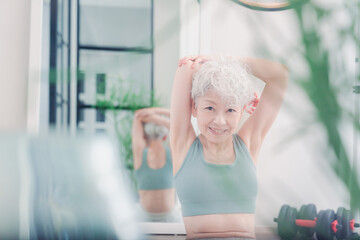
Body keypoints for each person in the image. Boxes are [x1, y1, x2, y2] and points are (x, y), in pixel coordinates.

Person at [170, 56, 288, 239]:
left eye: (230, 110)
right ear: (194, 107)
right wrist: (210, 64)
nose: (219, 121)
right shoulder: (183, 144)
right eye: (210, 108)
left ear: (242, 111)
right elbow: (186, 67)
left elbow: (280, 76)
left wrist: (228, 60)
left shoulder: (249, 142)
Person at [132, 107, 181, 222]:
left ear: (143, 136)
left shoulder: (139, 152)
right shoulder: (173, 153)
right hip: (170, 217)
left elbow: (137, 116)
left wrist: (150, 114)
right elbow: (178, 120)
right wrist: (157, 112)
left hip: (144, 217)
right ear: (165, 136)